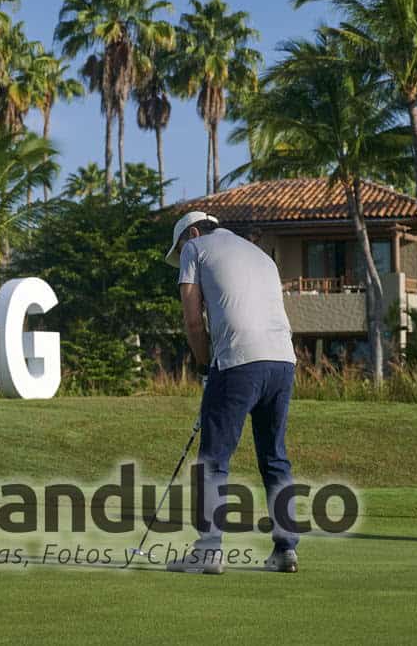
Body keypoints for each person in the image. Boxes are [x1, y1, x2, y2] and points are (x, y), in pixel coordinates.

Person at [164, 211, 300, 574]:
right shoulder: (260, 254)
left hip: (239, 360)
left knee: (213, 459)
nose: (181, 253)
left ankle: (208, 551)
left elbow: (193, 321)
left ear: (193, 233)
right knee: (274, 456)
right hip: (283, 361)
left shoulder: (195, 248)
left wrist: (203, 366)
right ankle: (285, 550)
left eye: (180, 247)